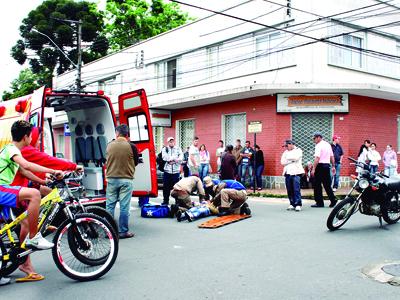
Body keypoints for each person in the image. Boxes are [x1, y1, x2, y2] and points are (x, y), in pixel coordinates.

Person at [11, 126, 83, 282]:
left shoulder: (24, 149)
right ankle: (25, 263)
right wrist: (71, 166)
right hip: (13, 194)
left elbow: (31, 170)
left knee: (46, 192)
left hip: (20, 189)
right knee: (24, 224)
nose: (38, 141)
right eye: (37, 137)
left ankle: (40, 224)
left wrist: (45, 177)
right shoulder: (26, 150)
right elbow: (45, 161)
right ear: (27, 137)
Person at [0, 121, 60, 256]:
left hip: (4, 188)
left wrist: (43, 181)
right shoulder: (12, 150)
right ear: (25, 137)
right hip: (1, 188)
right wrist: (54, 170)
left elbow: (24, 171)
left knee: (24, 221)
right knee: (34, 194)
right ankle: (33, 237)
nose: (33, 139)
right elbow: (26, 166)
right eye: (31, 136)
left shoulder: (11, 150)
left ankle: (8, 265)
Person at [106, 124, 136, 239]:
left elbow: (107, 159)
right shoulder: (131, 146)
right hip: (126, 179)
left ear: (117, 134)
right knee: (124, 207)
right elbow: (136, 162)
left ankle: (108, 230)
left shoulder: (109, 145)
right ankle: (123, 231)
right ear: (127, 134)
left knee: (110, 206)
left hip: (112, 179)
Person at [311, 132, 337, 208]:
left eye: (314, 138)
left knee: (317, 185)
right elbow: (332, 156)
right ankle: (333, 200)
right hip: (326, 166)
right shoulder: (328, 144)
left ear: (319, 137)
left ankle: (319, 202)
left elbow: (317, 158)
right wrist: (333, 166)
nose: (314, 140)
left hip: (320, 166)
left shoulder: (318, 145)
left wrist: (314, 169)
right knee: (327, 185)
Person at [280, 140, 304, 212]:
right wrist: (291, 160)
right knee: (289, 189)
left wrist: (288, 159)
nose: (286, 148)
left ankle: (298, 204)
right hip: (287, 172)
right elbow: (282, 162)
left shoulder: (298, 150)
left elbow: (296, 158)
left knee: (296, 189)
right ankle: (292, 203)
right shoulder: (285, 152)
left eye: (286, 146)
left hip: (296, 172)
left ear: (291, 144)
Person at [161, 137, 183, 205]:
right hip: (167, 171)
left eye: (173, 141)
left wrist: (174, 160)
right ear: (168, 142)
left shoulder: (178, 149)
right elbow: (164, 157)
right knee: (166, 187)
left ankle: (177, 201)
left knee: (176, 188)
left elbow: (181, 158)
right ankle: (165, 201)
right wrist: (174, 159)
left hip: (176, 171)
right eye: (170, 141)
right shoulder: (165, 149)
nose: (172, 142)